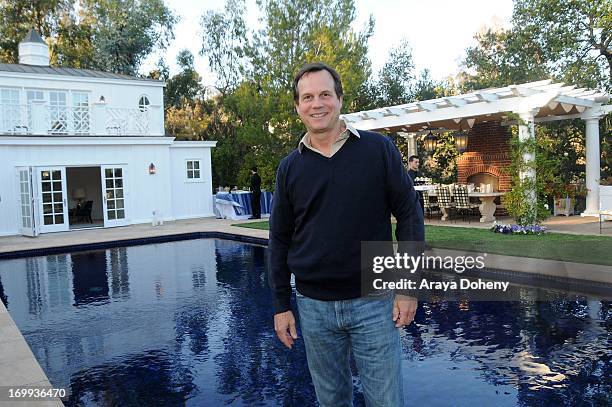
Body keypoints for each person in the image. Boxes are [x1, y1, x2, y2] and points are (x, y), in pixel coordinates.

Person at [269, 62, 425, 407]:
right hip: (313, 307)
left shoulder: (377, 150)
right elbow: (279, 238)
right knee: (332, 402)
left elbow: (410, 214)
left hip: (374, 302)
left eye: (325, 94)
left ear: (340, 99)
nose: (317, 103)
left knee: (386, 401)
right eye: (307, 97)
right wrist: (282, 305)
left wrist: (408, 287)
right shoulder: (290, 167)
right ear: (298, 108)